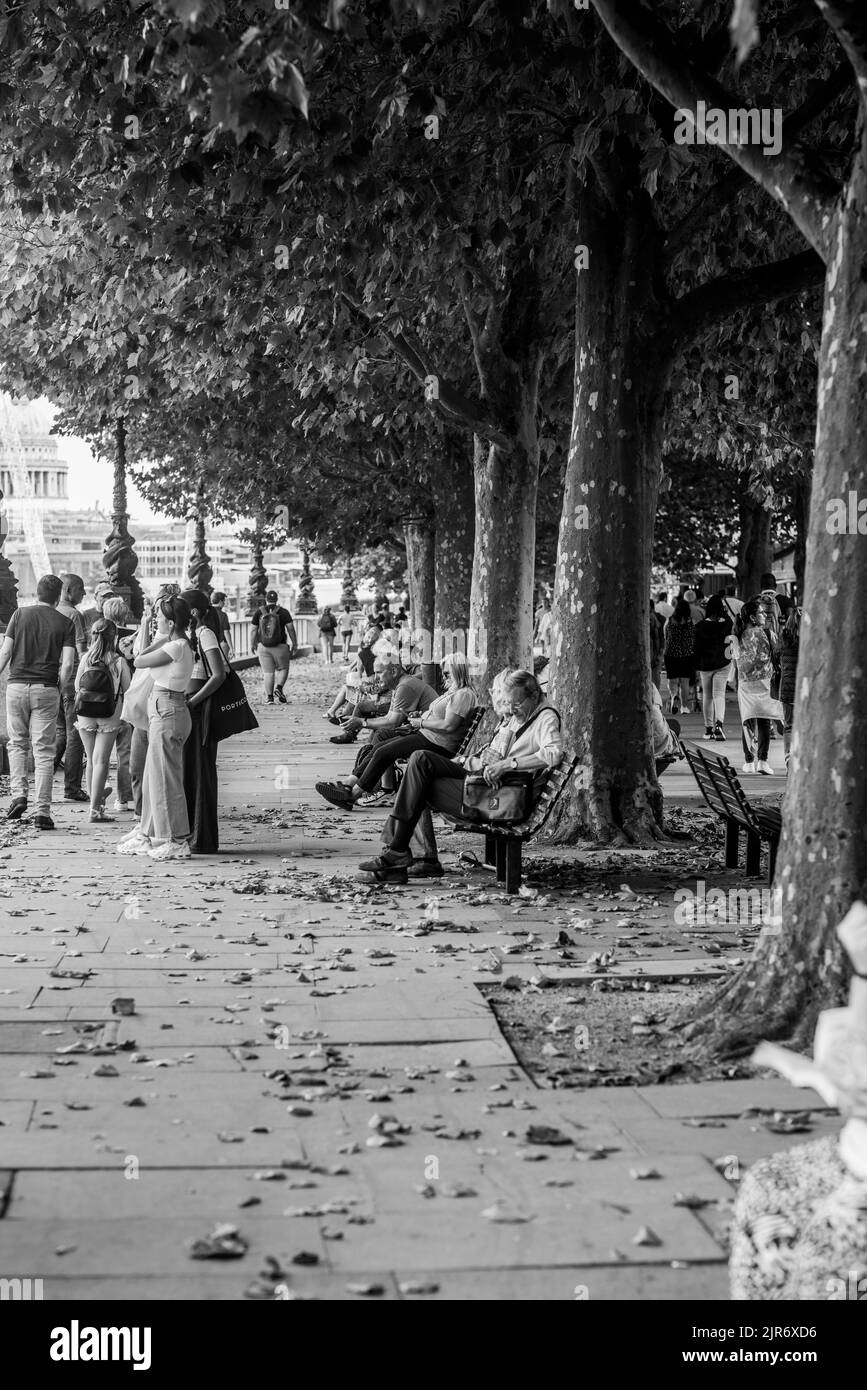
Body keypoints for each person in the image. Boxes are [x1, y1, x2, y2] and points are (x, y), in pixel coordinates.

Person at [358, 668, 563, 883]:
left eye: (517, 703)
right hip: (486, 780)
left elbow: (554, 753)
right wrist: (475, 760)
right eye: (510, 703)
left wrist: (507, 764)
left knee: (418, 777)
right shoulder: (522, 714)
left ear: (534, 695)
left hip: (499, 797)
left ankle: (398, 852)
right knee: (419, 762)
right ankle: (398, 851)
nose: (512, 709)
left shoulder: (545, 717)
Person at [316, 653, 473, 811]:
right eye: (443, 672)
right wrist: (420, 717)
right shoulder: (454, 692)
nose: (444, 677)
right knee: (379, 747)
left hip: (437, 743)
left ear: (458, 671)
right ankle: (349, 784)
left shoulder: (463, 695)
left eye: (447, 673)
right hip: (427, 735)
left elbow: (449, 726)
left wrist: (422, 722)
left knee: (383, 752)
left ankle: (352, 795)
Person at [117, 594, 194, 859]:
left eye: (160, 617)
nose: (156, 621)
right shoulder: (178, 644)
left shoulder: (175, 646)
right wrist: (159, 633)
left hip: (168, 710)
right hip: (165, 709)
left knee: (166, 779)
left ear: (171, 623)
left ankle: (177, 839)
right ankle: (148, 834)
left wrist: (157, 636)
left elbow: (138, 659)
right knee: (153, 778)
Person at [0, 574, 76, 830]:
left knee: (17, 744)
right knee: (44, 751)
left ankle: (18, 795)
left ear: (37, 592)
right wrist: (61, 685)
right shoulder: (65, 623)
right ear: (59, 595)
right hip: (46, 689)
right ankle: (42, 812)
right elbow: (67, 664)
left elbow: (5, 653)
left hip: (16, 686)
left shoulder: (19, 616)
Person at [180, 589, 228, 854]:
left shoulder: (205, 634)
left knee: (199, 771)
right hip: (191, 705)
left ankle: (201, 837)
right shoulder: (191, 636)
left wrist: (193, 701)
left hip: (199, 709)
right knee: (188, 771)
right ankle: (191, 834)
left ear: (194, 612)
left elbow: (218, 675)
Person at [73, 617, 131, 823]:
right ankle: (95, 810)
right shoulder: (119, 661)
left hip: (85, 711)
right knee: (101, 761)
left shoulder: (85, 658)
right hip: (110, 712)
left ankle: (95, 806)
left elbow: (76, 686)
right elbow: (128, 689)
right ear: (114, 637)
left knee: (91, 760)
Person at [733, 597, 779, 776]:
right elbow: (778, 653)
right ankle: (763, 761)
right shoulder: (768, 634)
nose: (764, 615)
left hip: (745, 684)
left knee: (747, 720)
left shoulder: (736, 635)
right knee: (764, 720)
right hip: (765, 683)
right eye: (760, 612)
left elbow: (735, 661)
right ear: (752, 617)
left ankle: (749, 761)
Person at [54, 572, 90, 802]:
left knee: (60, 733)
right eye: (80, 589)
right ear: (68, 591)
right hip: (71, 682)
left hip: (53, 682)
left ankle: (43, 774)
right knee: (74, 734)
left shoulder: (52, 612)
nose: (84, 593)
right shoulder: (74, 615)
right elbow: (80, 652)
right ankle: (72, 787)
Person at [102, 596, 137, 811]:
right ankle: (123, 798)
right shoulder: (132, 637)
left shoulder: (98, 637)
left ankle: (99, 791)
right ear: (124, 614)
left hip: (100, 698)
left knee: (100, 752)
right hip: (125, 696)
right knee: (125, 751)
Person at [694, 593, 734, 741]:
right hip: (723, 663)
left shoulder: (700, 626)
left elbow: (696, 648)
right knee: (719, 694)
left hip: (705, 665)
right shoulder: (728, 623)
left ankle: (708, 728)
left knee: (707, 696)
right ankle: (719, 725)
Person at [252, 590, 297, 704]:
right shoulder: (283, 612)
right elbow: (290, 628)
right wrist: (295, 643)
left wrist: (252, 644)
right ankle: (279, 688)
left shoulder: (259, 612)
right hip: (280, 646)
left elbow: (253, 630)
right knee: (283, 668)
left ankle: (269, 698)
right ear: (277, 599)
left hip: (263, 646)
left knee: (268, 673)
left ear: (266, 599)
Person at [663, 598, 696, 715]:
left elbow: (665, 636)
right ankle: (684, 707)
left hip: (671, 654)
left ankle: (674, 696)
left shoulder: (670, 620)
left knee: (672, 680)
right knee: (684, 682)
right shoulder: (690, 622)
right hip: (686, 654)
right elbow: (694, 637)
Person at [779, 606, 801, 772]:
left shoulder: (784, 638)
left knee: (789, 726)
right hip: (803, 689)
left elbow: (776, 659)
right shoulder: (809, 640)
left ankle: (788, 759)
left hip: (786, 688)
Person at [210, 592, 234, 662]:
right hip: (222, 643)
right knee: (224, 667)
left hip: (210, 644)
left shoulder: (206, 613)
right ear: (220, 602)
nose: (224, 603)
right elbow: (226, 632)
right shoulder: (223, 615)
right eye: (224, 601)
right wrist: (231, 648)